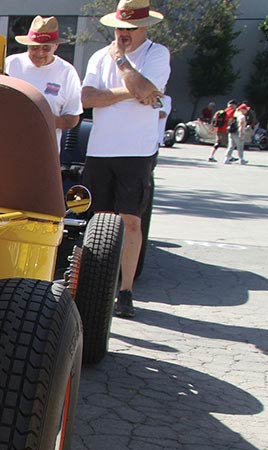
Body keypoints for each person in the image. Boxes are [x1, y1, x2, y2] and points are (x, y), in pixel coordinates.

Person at [81, 0, 170, 320]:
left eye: (131, 28)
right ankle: (95, 287)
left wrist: (121, 62)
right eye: (120, 27)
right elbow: (87, 98)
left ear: (144, 27)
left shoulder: (157, 54)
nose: (124, 34)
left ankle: (126, 290)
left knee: (131, 221)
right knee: (99, 220)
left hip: (136, 152)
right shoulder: (97, 56)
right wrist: (132, 92)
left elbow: (148, 89)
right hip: (100, 149)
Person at [4, 16, 82, 148]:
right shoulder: (11, 64)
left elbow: (72, 118)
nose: (39, 53)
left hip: (44, 149)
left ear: (55, 46)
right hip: (8, 145)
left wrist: (42, 120)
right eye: (34, 47)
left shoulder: (67, 71)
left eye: (46, 48)